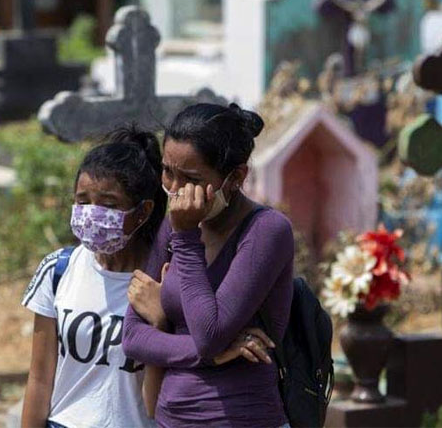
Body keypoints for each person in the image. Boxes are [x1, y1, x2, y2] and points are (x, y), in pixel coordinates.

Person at [123, 103, 295, 427]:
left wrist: (187, 238)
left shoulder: (266, 231)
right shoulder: (172, 224)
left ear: (236, 177)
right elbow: (132, 337)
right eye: (168, 171)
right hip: (171, 418)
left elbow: (210, 333)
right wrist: (216, 354)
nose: (174, 190)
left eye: (190, 178)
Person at [20, 127, 166, 428]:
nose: (91, 213)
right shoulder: (58, 270)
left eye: (109, 204)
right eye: (82, 200)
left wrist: (161, 322)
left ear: (142, 212)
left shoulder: (164, 281)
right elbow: (39, 378)